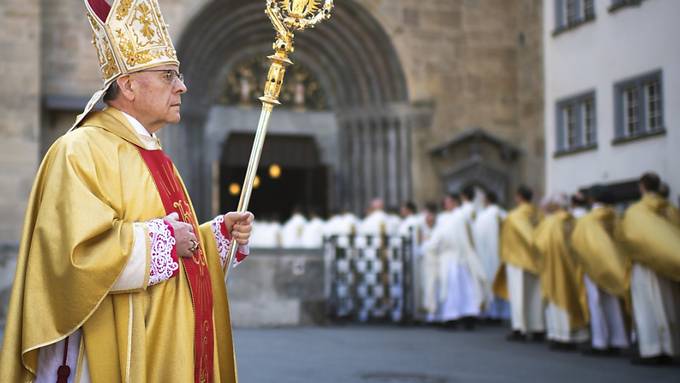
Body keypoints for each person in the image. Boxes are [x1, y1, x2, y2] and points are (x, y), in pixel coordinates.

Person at [0, 1, 253, 381]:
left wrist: (214, 236)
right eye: (168, 75)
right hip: (104, 352)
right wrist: (164, 241)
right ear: (128, 84)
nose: (182, 86)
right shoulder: (80, 150)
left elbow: (168, 242)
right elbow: (71, 260)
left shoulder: (155, 155)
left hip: (161, 345)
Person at [620, 172, 680, 365]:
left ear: (642, 187)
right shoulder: (670, 209)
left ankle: (652, 349)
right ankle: (669, 347)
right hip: (668, 267)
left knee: (647, 307)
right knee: (668, 305)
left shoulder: (636, 211)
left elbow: (629, 238)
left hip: (645, 267)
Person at [571, 185, 630, 355]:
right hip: (616, 265)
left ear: (592, 199)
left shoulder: (588, 220)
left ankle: (600, 341)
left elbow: (579, 243)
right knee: (613, 302)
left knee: (596, 303)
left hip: (594, 267)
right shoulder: (618, 217)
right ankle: (618, 339)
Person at [534, 193, 588, 349]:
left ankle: (561, 336)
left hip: (554, 267)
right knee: (572, 299)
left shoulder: (552, 222)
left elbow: (539, 244)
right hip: (572, 266)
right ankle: (575, 334)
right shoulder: (573, 219)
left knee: (557, 302)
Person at [494, 185, 544, 341]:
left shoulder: (514, 216)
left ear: (518, 197)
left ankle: (520, 328)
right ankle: (538, 326)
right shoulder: (539, 214)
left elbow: (525, 237)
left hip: (517, 260)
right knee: (535, 296)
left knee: (518, 296)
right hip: (537, 260)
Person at [473, 190, 510, 322]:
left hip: (485, 256)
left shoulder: (483, 216)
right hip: (502, 255)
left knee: (489, 281)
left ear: (487, 200)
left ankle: (490, 312)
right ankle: (500, 313)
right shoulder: (504, 214)